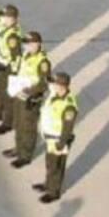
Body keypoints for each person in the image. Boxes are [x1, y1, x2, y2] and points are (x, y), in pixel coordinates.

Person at [5, 31, 51, 167]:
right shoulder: (26, 56)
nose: (28, 46)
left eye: (31, 44)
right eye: (26, 43)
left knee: (28, 127)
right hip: (20, 95)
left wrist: (30, 91)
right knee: (18, 123)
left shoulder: (43, 62)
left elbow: (43, 83)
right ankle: (18, 148)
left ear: (38, 44)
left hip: (31, 98)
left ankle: (25, 155)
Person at [35, 72, 78, 204]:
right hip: (50, 138)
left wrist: (61, 143)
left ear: (62, 86)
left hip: (58, 139)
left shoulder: (68, 105)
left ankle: (53, 192)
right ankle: (48, 183)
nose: (52, 85)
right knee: (50, 163)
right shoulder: (56, 95)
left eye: (55, 83)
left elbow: (67, 127)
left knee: (56, 166)